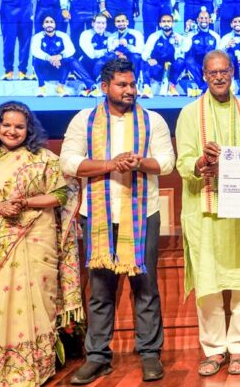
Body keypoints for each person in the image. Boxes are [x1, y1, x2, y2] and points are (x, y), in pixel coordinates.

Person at [61, 57, 175, 384]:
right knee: (100, 291)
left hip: (142, 214)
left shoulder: (152, 120)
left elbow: (166, 162)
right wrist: (111, 164)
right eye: (122, 85)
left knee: (145, 287)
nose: (129, 90)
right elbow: (69, 162)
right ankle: (98, 357)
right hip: (99, 215)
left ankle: (150, 353)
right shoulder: (84, 120)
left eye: (132, 84)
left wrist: (140, 162)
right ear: (104, 87)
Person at [0, 101, 82, 386]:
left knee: (39, 303)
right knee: (4, 304)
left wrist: (25, 202)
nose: (12, 131)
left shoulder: (43, 157)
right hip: (0, 242)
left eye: (19, 126)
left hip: (38, 240)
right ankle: (4, 371)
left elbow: (61, 196)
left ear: (29, 130)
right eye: (6, 125)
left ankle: (36, 370)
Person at [175, 49, 240, 377]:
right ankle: (214, 350)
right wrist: (202, 163)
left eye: (224, 71)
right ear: (203, 74)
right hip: (204, 210)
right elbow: (182, 162)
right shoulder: (189, 113)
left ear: (232, 72)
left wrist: (231, 163)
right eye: (212, 72)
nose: (218, 76)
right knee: (209, 284)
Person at [31, 14, 96, 97]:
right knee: (36, 60)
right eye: (46, 22)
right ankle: (41, 87)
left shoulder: (63, 35)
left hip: (59, 68)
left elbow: (71, 49)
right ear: (43, 25)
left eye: (51, 22)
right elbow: (35, 51)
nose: (49, 24)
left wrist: (59, 56)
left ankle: (61, 87)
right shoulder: (38, 37)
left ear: (55, 24)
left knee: (71, 60)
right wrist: (50, 58)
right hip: (45, 69)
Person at [141, 13, 192, 97]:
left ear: (173, 23)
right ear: (160, 24)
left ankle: (172, 87)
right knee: (145, 62)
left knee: (182, 61)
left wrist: (180, 41)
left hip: (172, 69)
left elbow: (185, 49)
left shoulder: (177, 37)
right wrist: (149, 59)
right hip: (157, 68)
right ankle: (147, 88)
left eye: (169, 21)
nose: (166, 23)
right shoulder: (154, 36)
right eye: (164, 21)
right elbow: (145, 53)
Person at [184, 9, 222, 96]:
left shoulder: (215, 36)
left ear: (209, 20)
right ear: (197, 20)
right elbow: (184, 49)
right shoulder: (191, 35)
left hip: (210, 66)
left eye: (206, 18)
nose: (203, 20)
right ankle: (204, 87)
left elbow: (219, 53)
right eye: (201, 18)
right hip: (196, 66)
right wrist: (186, 31)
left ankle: (202, 89)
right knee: (188, 60)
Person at [79, 13, 114, 95]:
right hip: (87, 63)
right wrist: (107, 50)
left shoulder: (110, 35)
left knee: (112, 57)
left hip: (102, 65)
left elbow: (113, 52)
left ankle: (95, 87)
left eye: (103, 23)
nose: (101, 25)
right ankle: (91, 87)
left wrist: (108, 51)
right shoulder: (86, 34)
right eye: (98, 23)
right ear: (92, 23)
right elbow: (91, 55)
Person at [108, 13, 147, 84]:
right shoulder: (112, 36)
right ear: (115, 23)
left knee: (136, 57)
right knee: (110, 56)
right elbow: (110, 49)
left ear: (127, 22)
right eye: (118, 21)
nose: (121, 23)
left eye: (123, 21)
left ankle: (134, 82)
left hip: (131, 57)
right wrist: (116, 52)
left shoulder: (136, 33)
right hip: (118, 57)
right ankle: (114, 82)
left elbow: (140, 50)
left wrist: (128, 46)